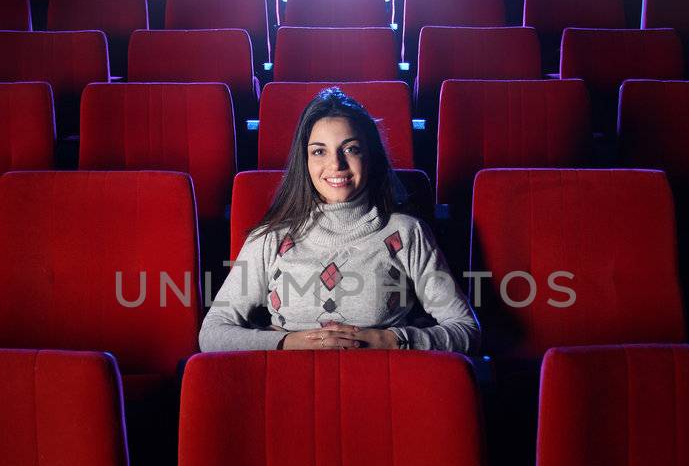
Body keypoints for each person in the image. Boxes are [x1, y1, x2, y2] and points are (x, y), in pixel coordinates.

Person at [199, 86, 480, 353]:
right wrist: (287, 343)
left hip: (386, 387)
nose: (336, 164)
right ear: (305, 161)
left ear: (370, 156)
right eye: (319, 151)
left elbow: (466, 330)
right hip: (286, 386)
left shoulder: (407, 233)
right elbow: (212, 333)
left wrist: (393, 340)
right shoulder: (270, 238)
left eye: (351, 148)